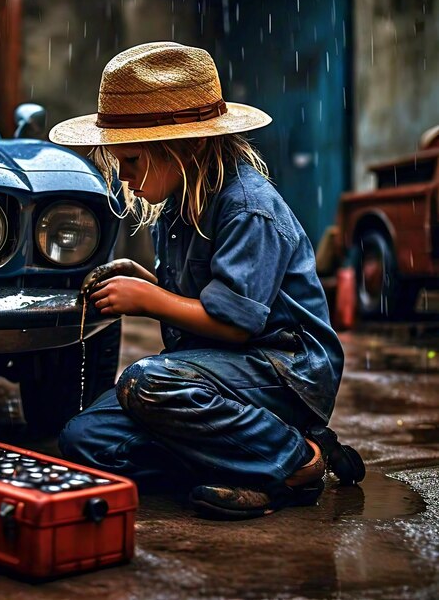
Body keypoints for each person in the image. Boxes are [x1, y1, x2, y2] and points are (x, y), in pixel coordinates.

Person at [49, 41, 364, 520]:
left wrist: (149, 299)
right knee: (82, 441)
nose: (125, 178)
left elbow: (233, 327)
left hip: (278, 371)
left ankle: (299, 458)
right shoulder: (175, 209)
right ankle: (254, 469)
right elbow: (192, 298)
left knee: (145, 383)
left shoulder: (248, 207)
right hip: (215, 373)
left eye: (131, 161)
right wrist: (145, 279)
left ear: (189, 146)